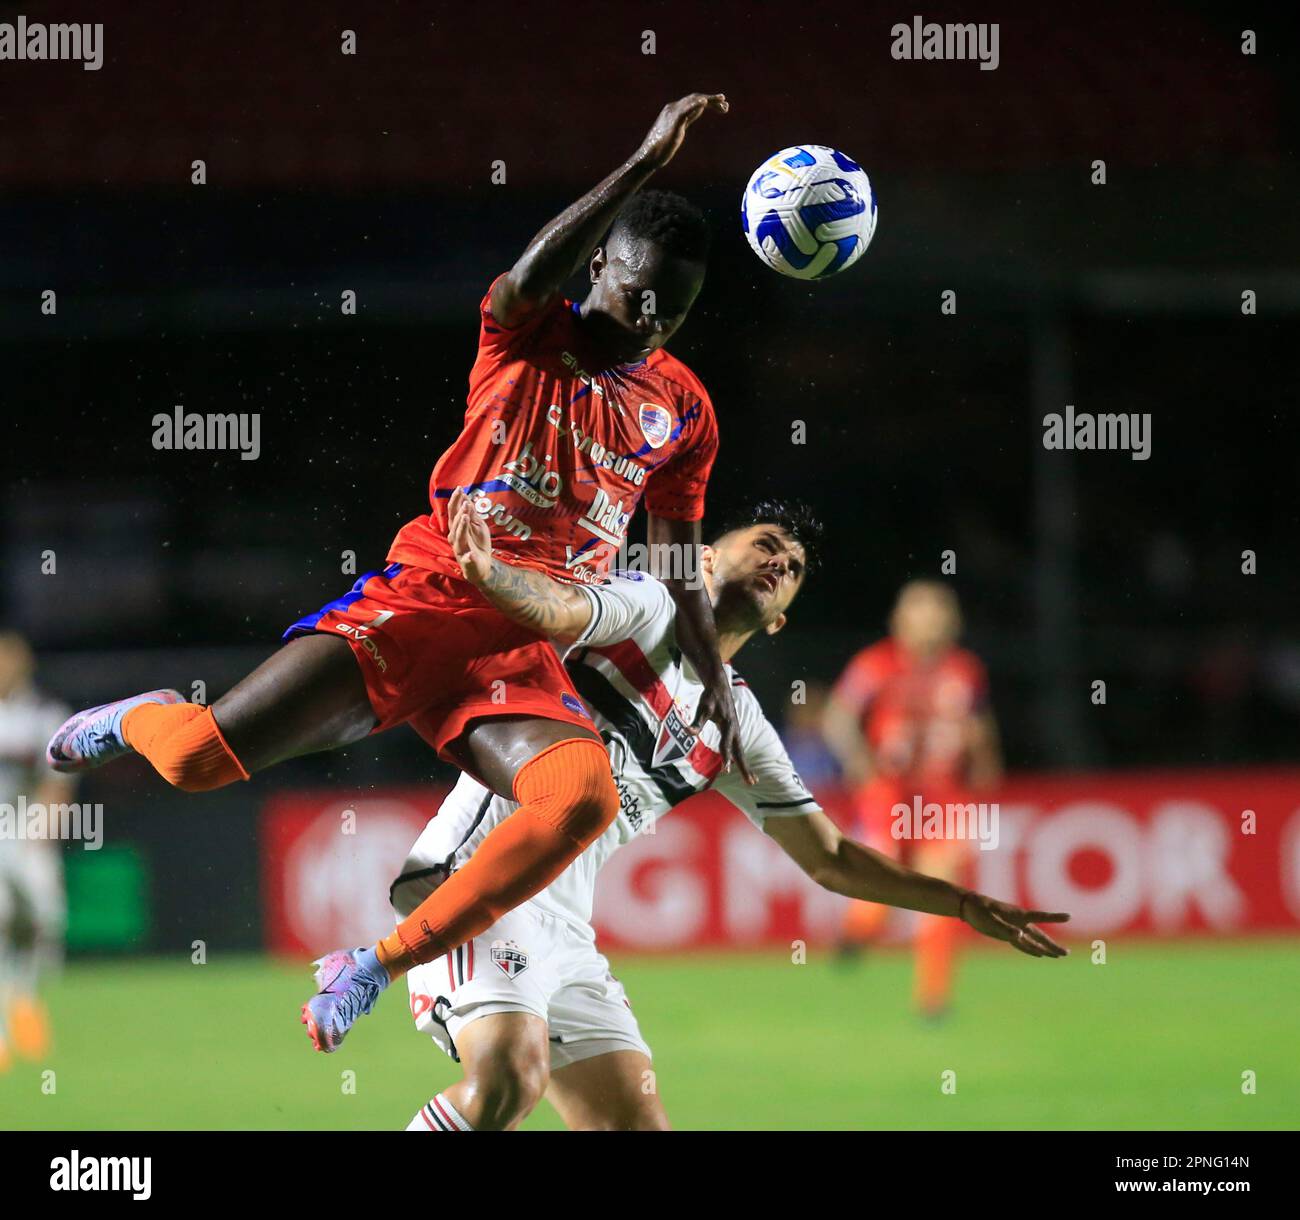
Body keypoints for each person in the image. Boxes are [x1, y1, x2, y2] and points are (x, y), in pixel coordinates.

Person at [46, 95, 746, 1051]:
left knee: (581, 794)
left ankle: (371, 964)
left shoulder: (685, 408)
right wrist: (642, 161)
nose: (651, 323)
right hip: (423, 603)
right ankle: (138, 714)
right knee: (196, 761)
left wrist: (710, 676)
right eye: (636, 297)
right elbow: (532, 272)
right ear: (598, 272)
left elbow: (672, 563)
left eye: (676, 310)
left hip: (520, 647)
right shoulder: (526, 332)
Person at [329, 497, 1065, 1129]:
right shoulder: (645, 608)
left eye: (795, 567)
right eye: (766, 544)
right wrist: (494, 577)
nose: (781, 560)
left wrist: (961, 903)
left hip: (565, 930)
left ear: (779, 623)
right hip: (476, 887)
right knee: (506, 1084)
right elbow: (565, 607)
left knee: (633, 1122)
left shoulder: (736, 723)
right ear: (704, 560)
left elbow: (829, 858)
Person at [822, 580, 1003, 1019]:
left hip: (944, 796)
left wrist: (985, 763)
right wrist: (859, 763)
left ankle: (933, 1000)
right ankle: (857, 931)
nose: (930, 619)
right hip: (889, 792)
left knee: (943, 890)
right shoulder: (876, 664)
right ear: (900, 619)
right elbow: (838, 717)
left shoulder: (965, 670)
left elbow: (978, 725)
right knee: (885, 889)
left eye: (938, 610)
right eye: (920, 610)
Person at [0, 633, 76, 1069]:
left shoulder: (45, 715)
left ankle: (23, 996)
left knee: (45, 918)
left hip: (26, 828)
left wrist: (45, 825)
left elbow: (58, 779)